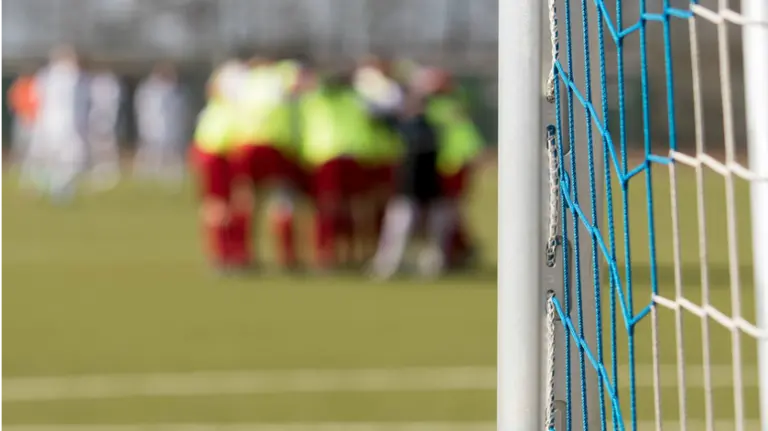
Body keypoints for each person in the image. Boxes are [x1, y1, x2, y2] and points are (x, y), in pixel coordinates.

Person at [227, 56, 303, 270]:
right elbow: (300, 84)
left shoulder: (242, 79)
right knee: (281, 201)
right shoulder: (281, 75)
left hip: (245, 144)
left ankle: (241, 254)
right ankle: (287, 256)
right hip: (275, 144)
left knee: (246, 200)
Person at [369, 90, 451, 280]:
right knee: (399, 229)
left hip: (428, 187)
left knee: (434, 229)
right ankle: (388, 265)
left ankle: (432, 264)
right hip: (407, 188)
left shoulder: (425, 128)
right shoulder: (403, 126)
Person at [299, 71, 372, 270]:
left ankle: (349, 252)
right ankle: (326, 252)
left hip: (350, 156)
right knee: (327, 207)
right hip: (326, 156)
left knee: (351, 208)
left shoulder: (354, 98)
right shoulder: (317, 98)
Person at [421, 68, 484, 269]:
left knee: (448, 212)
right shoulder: (431, 105)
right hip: (437, 165)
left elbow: (464, 137)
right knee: (442, 213)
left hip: (452, 164)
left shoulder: (450, 106)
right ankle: (456, 250)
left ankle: (451, 252)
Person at [23, 45, 90, 203]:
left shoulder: (45, 76)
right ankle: (57, 189)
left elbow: (35, 98)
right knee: (74, 158)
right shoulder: (68, 75)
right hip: (62, 125)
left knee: (53, 160)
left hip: (47, 124)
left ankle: (53, 188)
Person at [189, 79, 242, 273]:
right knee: (218, 208)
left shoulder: (216, 110)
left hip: (219, 158)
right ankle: (220, 254)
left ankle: (226, 253)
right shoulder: (225, 111)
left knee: (221, 208)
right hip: (216, 159)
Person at [134, 61, 188, 188]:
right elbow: (143, 108)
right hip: (152, 125)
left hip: (170, 127)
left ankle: (171, 176)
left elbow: (178, 110)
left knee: (172, 152)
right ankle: (145, 175)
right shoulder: (148, 89)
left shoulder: (174, 89)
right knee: (149, 151)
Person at [87, 64, 122, 191]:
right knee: (97, 148)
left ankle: (111, 171)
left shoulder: (111, 85)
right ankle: (98, 171)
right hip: (95, 119)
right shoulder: (94, 84)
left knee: (107, 147)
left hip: (107, 119)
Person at [7, 67, 39, 172]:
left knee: (32, 144)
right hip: (22, 117)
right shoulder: (20, 85)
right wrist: (22, 112)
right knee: (20, 143)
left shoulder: (36, 83)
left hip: (34, 118)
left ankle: (30, 164)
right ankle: (19, 163)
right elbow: (13, 100)